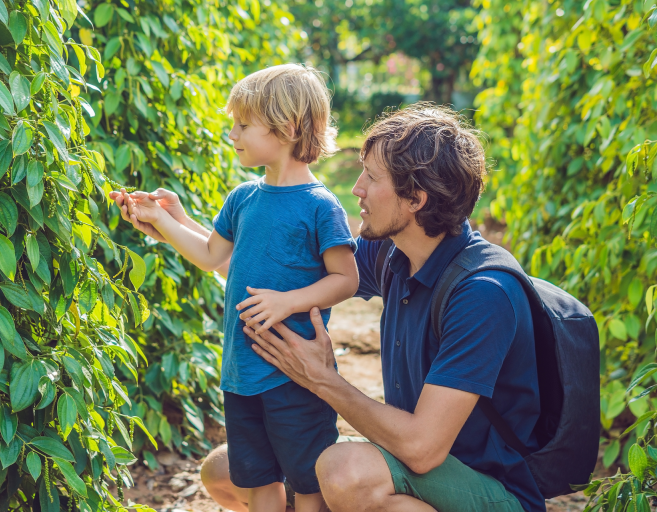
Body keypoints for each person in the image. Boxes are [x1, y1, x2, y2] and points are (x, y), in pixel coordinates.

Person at [124, 103, 546, 512]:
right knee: (225, 470)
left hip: (487, 487)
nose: (356, 188)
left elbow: (421, 449)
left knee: (345, 472)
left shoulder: (482, 293)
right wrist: (175, 227)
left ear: (415, 198)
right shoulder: (391, 253)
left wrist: (322, 380)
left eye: (371, 178)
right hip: (416, 465)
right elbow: (268, 272)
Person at [111, 63, 358, 512]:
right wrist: (162, 220)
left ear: (285, 127)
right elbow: (210, 255)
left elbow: (347, 279)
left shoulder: (321, 206)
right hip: (241, 375)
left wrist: (289, 301)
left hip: (294, 376)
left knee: (307, 484)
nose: (233, 135)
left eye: (243, 125)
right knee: (259, 479)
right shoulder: (242, 197)